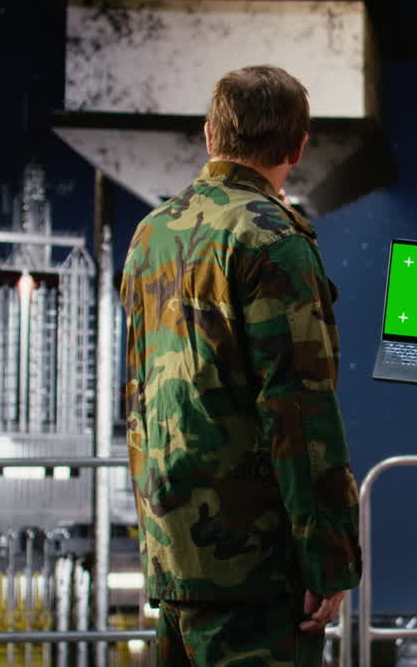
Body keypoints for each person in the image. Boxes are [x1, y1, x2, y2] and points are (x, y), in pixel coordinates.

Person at [120, 65, 361, 666]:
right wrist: (327, 558)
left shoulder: (151, 234)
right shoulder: (273, 240)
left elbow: (139, 393)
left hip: (173, 554)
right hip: (256, 571)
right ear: (298, 147)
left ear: (210, 134)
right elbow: (298, 411)